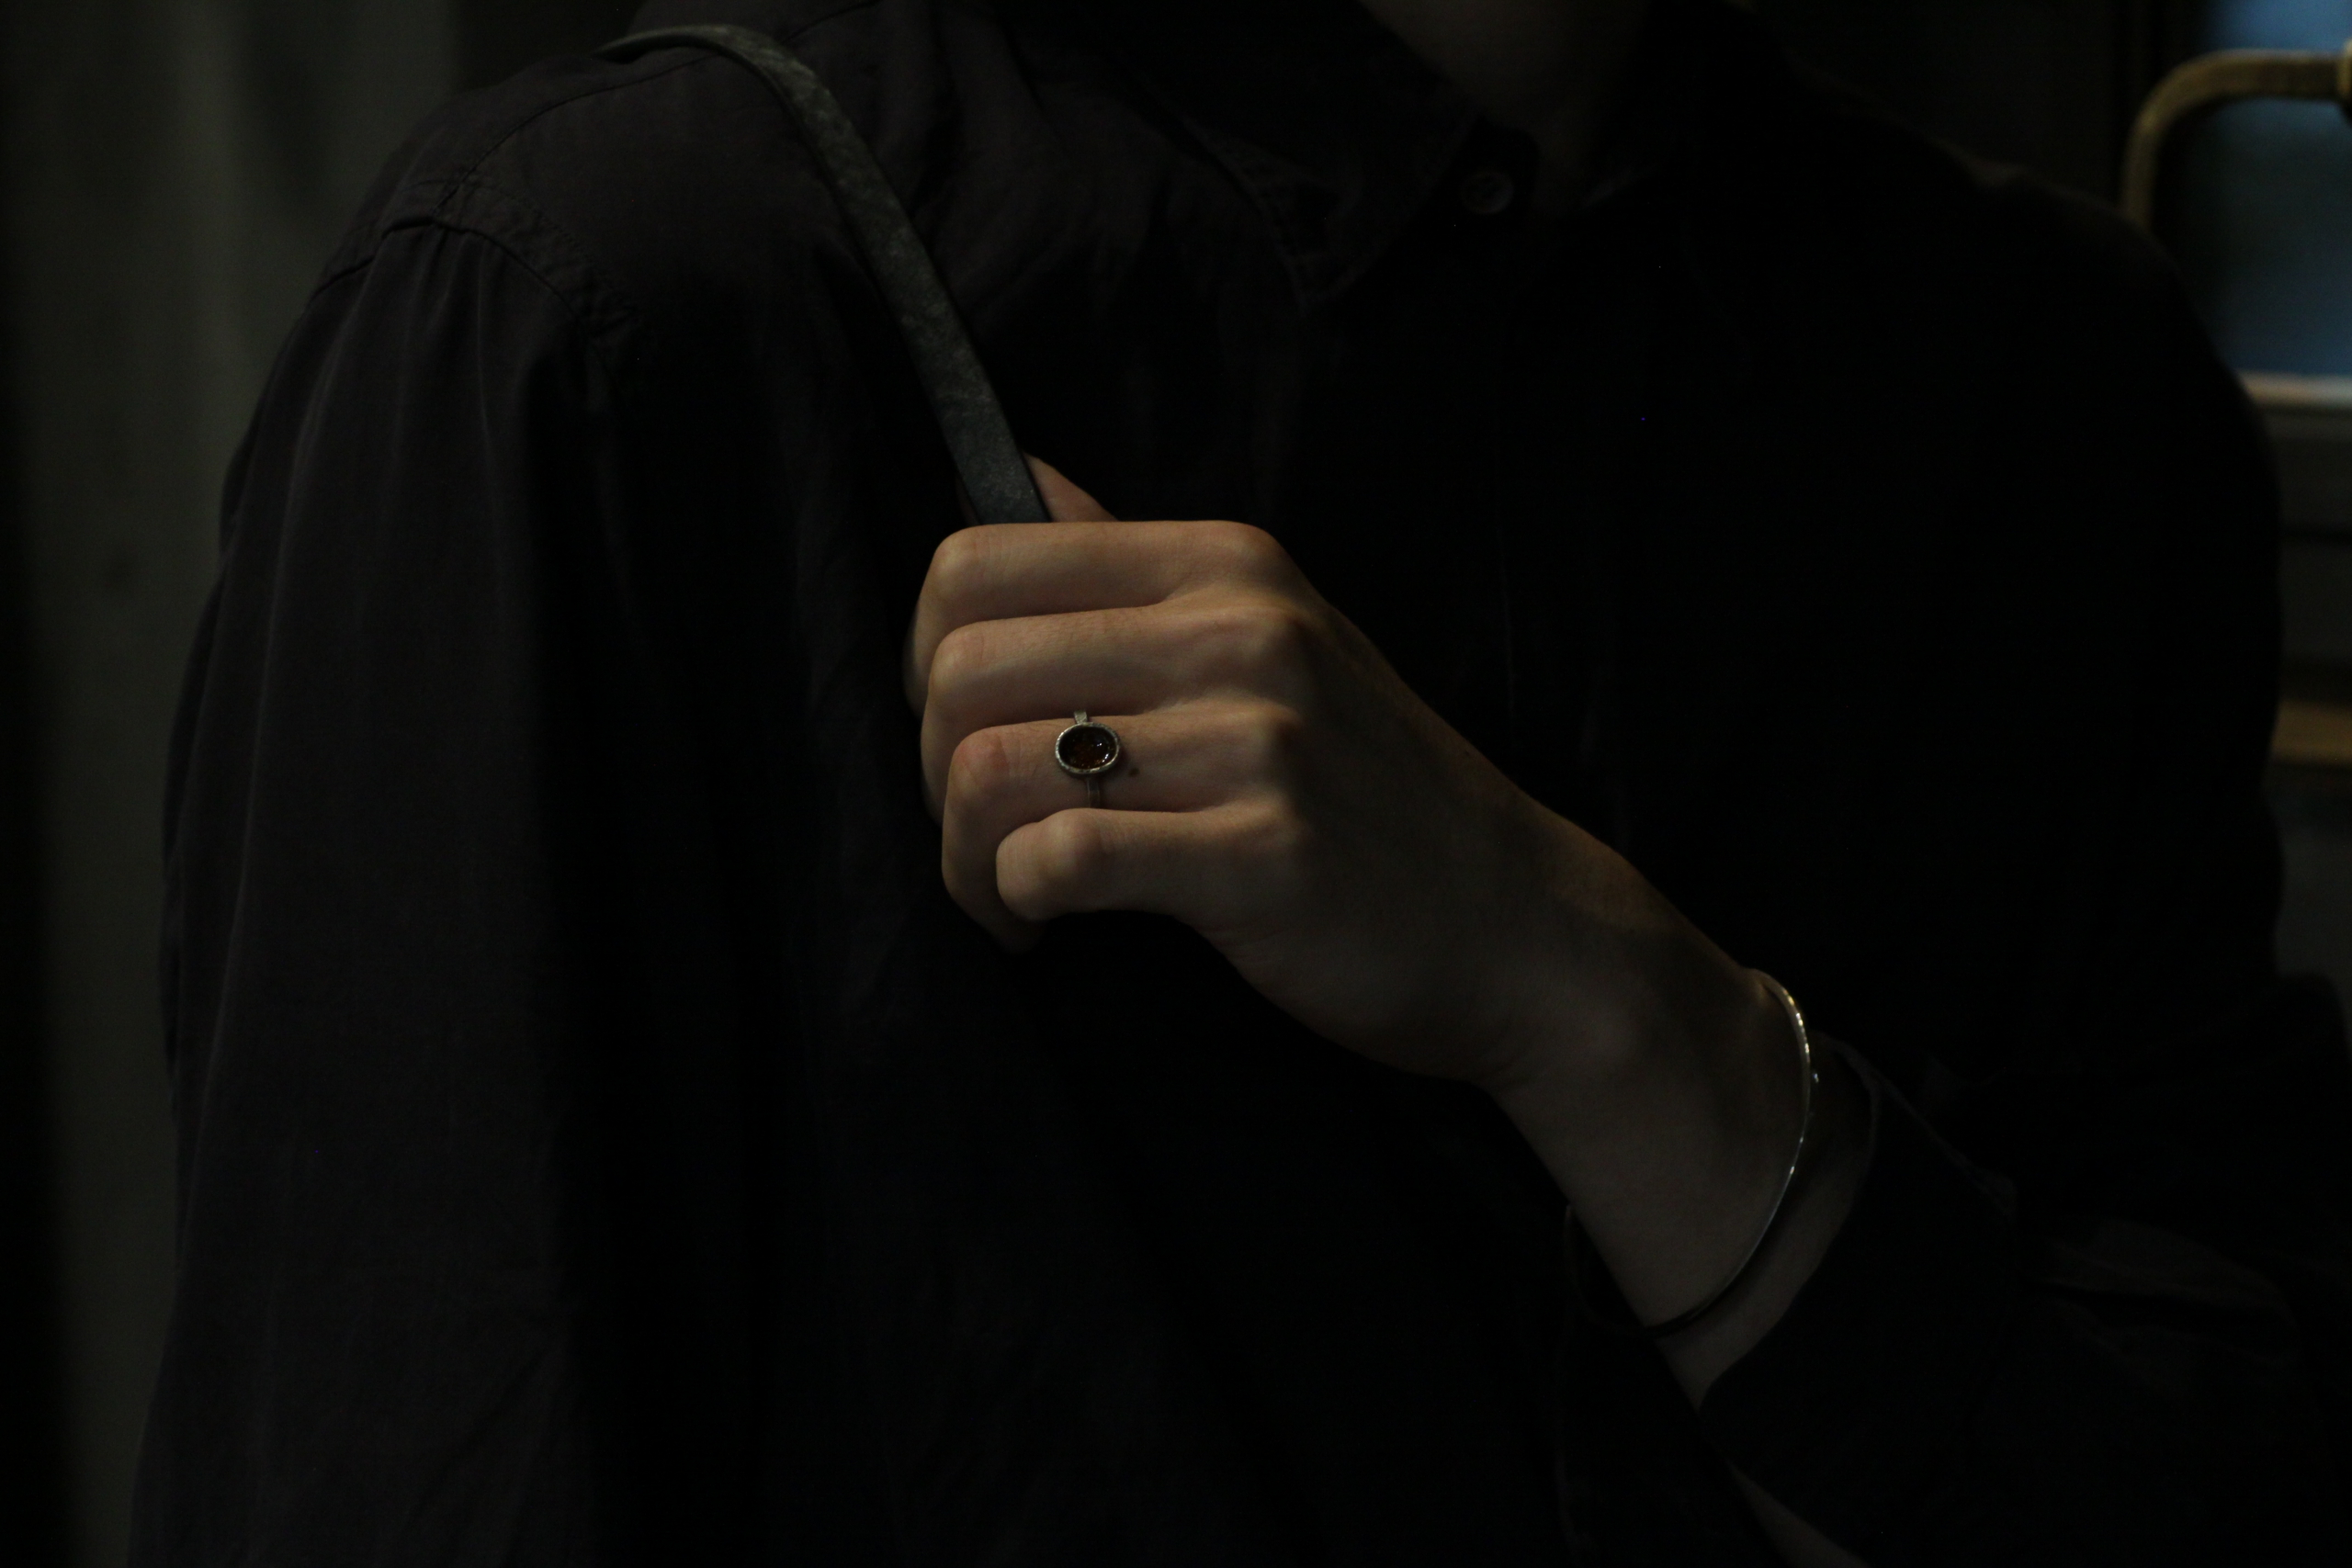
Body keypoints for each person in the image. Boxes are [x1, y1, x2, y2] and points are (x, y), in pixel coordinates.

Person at [135, 0, 2352, 1562]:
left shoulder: (2048, 387)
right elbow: (419, 1465)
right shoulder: (608, 311)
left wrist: (1585, 989)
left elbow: (2204, 1485)